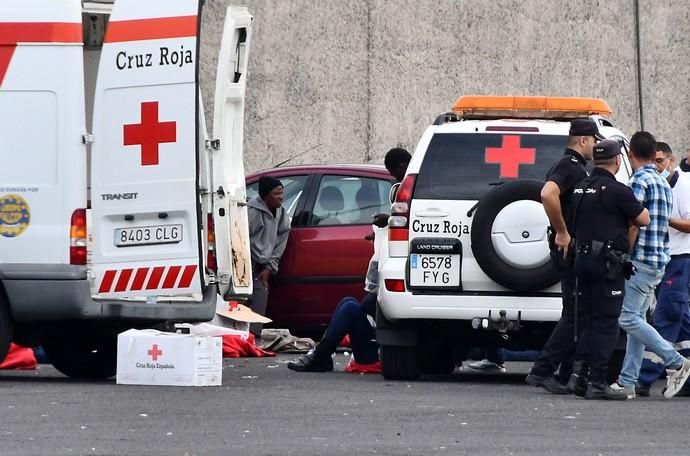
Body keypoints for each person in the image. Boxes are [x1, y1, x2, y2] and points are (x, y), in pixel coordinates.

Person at [288, 148, 411, 372]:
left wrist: (390, 220)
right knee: (349, 303)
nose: (394, 178)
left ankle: (321, 356)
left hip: (384, 354)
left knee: (351, 307)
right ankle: (320, 355)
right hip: (381, 348)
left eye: (394, 172)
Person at [564, 140, 649, 400]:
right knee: (607, 322)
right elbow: (643, 219)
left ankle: (578, 377)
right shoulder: (618, 191)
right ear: (617, 160)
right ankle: (598, 381)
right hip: (606, 262)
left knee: (587, 319)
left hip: (581, 259)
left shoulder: (580, 187)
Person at [525, 119, 603, 394]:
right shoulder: (568, 166)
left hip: (573, 247)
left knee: (576, 311)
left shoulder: (576, 167)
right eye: (595, 141)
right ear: (583, 140)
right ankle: (542, 370)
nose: (596, 146)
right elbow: (548, 193)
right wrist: (562, 231)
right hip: (567, 247)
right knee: (575, 312)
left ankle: (565, 372)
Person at [611, 132, 690, 399]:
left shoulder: (639, 181)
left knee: (627, 318)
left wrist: (625, 252)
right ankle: (628, 381)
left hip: (640, 259)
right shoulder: (663, 181)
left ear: (630, 154)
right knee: (637, 322)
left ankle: (677, 362)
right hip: (660, 260)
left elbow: (633, 221)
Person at [636, 142, 690, 396]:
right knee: (683, 323)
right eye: (653, 161)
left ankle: (644, 377)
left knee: (665, 317)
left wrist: (662, 217)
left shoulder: (685, 185)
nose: (657, 166)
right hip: (660, 260)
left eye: (661, 161)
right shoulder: (652, 184)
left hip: (680, 259)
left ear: (671, 160)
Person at [247, 176, 291, 337]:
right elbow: (240, 240)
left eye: (282, 193)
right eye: (276, 194)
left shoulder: (281, 212)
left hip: (263, 267)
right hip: (248, 264)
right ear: (265, 195)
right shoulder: (251, 212)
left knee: (259, 305)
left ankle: (253, 337)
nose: (281, 197)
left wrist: (269, 267)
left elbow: (281, 241)